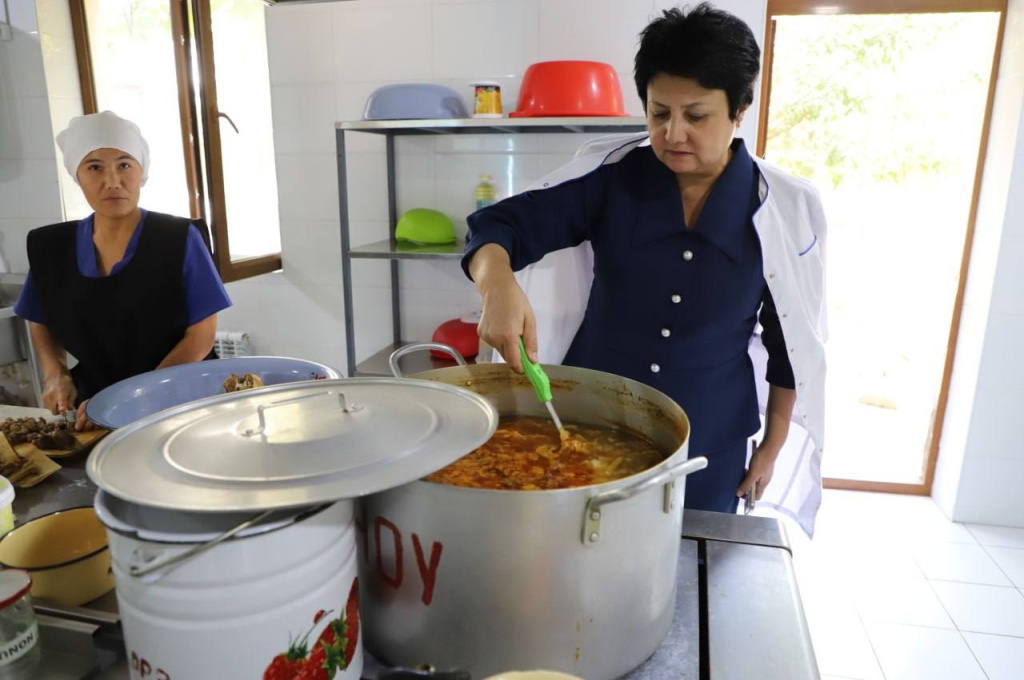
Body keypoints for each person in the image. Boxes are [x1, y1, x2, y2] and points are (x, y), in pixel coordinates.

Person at [462, 3, 828, 529]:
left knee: (690, 571)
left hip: (711, 445)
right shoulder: (611, 180)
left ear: (740, 108)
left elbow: (789, 344)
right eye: (659, 113)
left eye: (696, 116)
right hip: (593, 425)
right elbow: (499, 226)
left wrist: (770, 448)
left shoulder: (781, 210)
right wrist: (496, 281)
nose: (673, 134)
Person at [14, 111, 232, 430]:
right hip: (96, 404)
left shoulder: (178, 239)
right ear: (77, 175)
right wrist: (55, 373)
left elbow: (200, 336)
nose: (112, 181)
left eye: (124, 164)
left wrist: (135, 397)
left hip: (180, 399)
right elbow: (40, 319)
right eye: (94, 167)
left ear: (141, 170)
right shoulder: (51, 247)